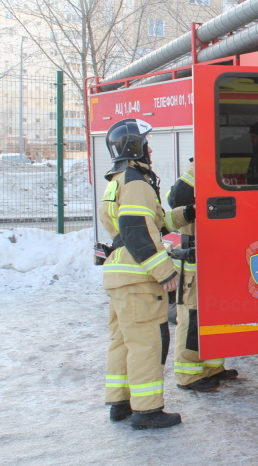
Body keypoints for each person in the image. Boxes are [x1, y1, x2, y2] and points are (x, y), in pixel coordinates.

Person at [99, 118, 189, 429]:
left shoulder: (119, 180)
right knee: (147, 343)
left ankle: (120, 403)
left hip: (119, 274)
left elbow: (156, 224)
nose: (149, 149)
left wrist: (187, 214)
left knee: (122, 341)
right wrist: (165, 273)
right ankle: (147, 411)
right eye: (146, 143)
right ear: (134, 146)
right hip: (137, 277)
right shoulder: (137, 182)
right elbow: (138, 231)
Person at [166, 161, 238, 392]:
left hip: (215, 259)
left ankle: (213, 367)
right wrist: (199, 167)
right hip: (195, 261)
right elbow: (177, 199)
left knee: (217, 314)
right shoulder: (197, 168)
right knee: (192, 317)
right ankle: (188, 375)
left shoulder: (216, 167)